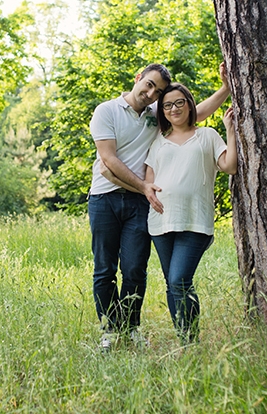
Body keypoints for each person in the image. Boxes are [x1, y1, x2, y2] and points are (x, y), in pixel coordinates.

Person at [89, 63, 230, 351]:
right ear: (138, 77)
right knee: (105, 269)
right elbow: (109, 159)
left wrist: (226, 88)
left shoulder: (156, 116)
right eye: (149, 85)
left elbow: (195, 113)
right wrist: (142, 186)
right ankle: (109, 331)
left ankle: (130, 328)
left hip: (141, 201)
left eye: (158, 91)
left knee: (134, 270)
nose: (152, 93)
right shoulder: (107, 111)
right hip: (105, 198)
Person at [144, 82, 237, 345]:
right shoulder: (158, 142)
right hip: (161, 221)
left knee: (179, 279)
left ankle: (189, 340)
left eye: (179, 102)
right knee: (173, 284)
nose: (174, 109)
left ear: (189, 104)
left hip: (195, 220)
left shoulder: (206, 135)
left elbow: (229, 166)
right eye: (167, 105)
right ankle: (186, 341)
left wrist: (230, 130)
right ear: (162, 111)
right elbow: (149, 181)